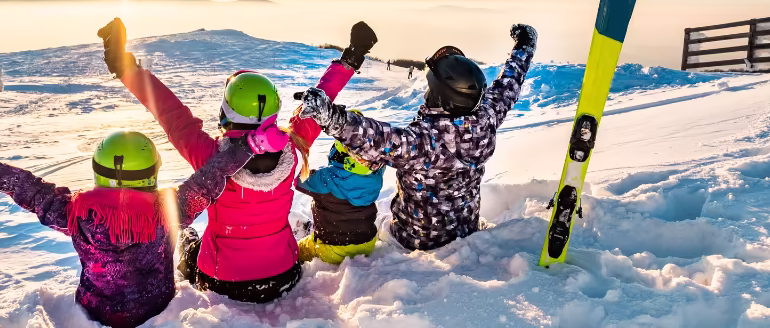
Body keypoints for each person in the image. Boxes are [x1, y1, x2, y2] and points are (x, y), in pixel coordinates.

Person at [97, 18, 377, 303]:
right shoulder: (293, 147)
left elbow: (171, 114)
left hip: (223, 281)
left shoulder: (211, 158)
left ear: (227, 111)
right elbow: (319, 102)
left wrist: (125, 67)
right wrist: (351, 57)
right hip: (284, 274)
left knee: (189, 243)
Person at [0, 125, 288, 328]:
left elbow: (25, 187)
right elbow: (212, 177)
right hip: (156, 307)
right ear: (152, 171)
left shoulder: (75, 213)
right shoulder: (169, 211)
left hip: (98, 310)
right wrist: (250, 146)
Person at [295, 24, 536, 251]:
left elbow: (374, 138)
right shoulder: (486, 119)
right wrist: (524, 47)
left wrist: (330, 116)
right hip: (466, 228)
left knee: (379, 230)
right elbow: (508, 86)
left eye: (430, 87)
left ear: (440, 96)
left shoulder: (424, 142)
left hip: (415, 239)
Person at [295, 109, 384, 264]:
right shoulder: (375, 174)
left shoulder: (326, 179)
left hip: (332, 249)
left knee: (297, 250)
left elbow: (298, 179)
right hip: (367, 243)